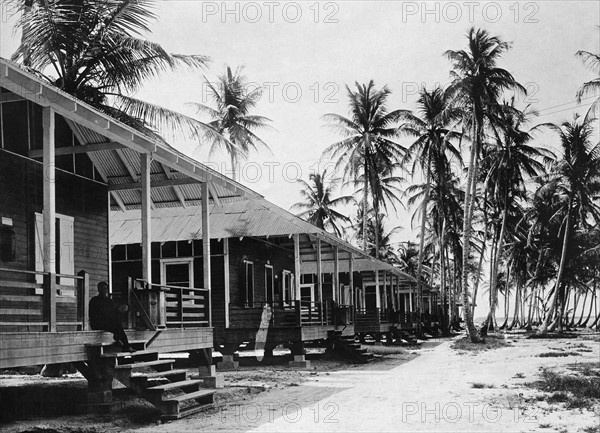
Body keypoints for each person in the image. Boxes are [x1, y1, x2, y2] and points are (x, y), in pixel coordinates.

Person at [89, 281, 135, 352]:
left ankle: (121, 341)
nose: (104, 291)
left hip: (106, 322)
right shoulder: (94, 301)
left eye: (106, 289)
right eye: (102, 289)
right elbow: (95, 315)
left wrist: (120, 310)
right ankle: (123, 343)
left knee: (117, 322)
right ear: (98, 289)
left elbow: (113, 313)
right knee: (116, 324)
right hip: (97, 323)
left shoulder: (109, 301)